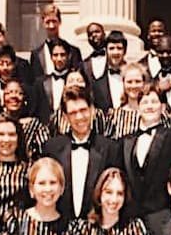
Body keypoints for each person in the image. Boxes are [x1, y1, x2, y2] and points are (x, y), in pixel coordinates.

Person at [42, 85, 121, 220]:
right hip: (60, 228)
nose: (79, 117)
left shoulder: (111, 148)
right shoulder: (51, 148)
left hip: (97, 228)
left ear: (92, 110)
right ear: (65, 117)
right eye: (73, 113)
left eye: (83, 110)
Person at [120, 83, 171, 214]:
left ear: (163, 107)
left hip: (164, 214)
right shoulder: (126, 141)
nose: (149, 106)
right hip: (132, 215)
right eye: (145, 102)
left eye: (154, 101)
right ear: (138, 108)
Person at [0, 76, 50, 160]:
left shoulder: (36, 126)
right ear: (3, 99)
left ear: (25, 99)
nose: (13, 96)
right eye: (9, 93)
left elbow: (45, 154)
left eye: (19, 93)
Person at [29, 4, 82, 82]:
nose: (51, 26)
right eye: (48, 22)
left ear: (60, 22)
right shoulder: (36, 55)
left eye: (54, 21)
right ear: (43, 23)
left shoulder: (73, 51)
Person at [49, 70, 108, 137]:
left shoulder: (98, 114)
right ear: (65, 87)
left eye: (79, 81)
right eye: (71, 81)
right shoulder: (57, 116)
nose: (75, 84)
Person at [104, 61, 147, 139]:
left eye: (137, 81)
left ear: (144, 83)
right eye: (129, 82)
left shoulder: (152, 113)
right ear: (123, 83)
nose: (133, 86)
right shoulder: (114, 115)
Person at [92, 30, 131, 113]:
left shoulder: (133, 79)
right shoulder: (97, 82)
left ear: (125, 51)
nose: (115, 52)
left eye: (119, 48)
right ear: (106, 50)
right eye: (111, 48)